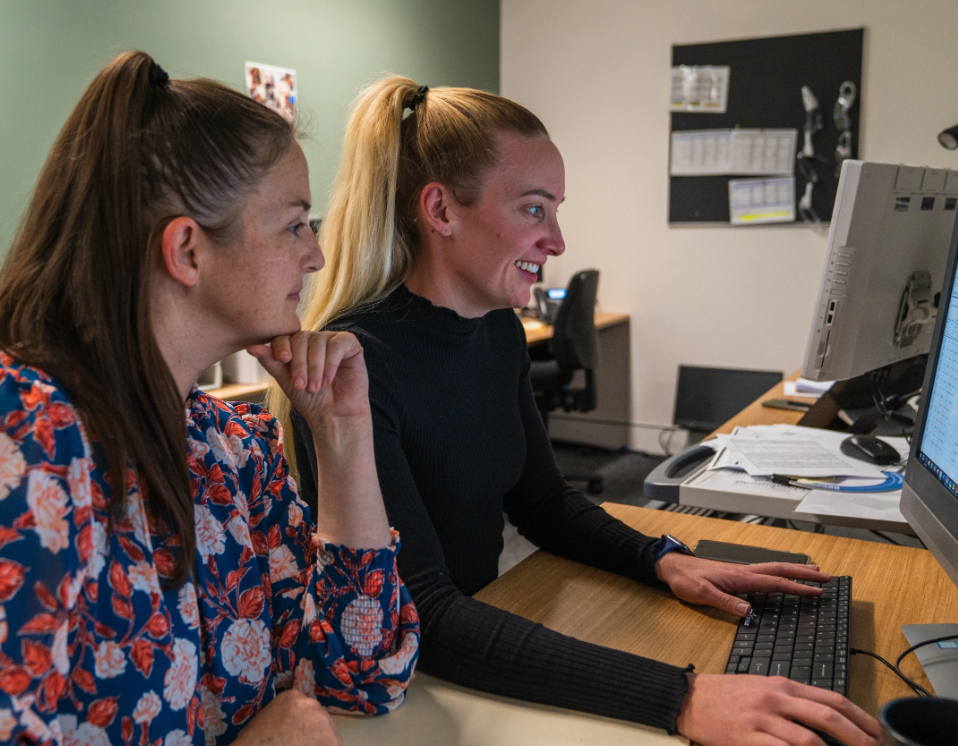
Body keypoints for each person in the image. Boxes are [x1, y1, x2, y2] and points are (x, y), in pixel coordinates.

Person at [275, 77, 883, 746]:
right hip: (402, 683)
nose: (557, 240)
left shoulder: (497, 328)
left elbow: (542, 502)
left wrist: (662, 559)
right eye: (534, 210)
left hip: (478, 633)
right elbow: (424, 612)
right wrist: (678, 696)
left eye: (555, 210)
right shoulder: (358, 367)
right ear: (441, 210)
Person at [0, 53, 419, 746]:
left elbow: (362, 674)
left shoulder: (230, 444)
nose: (315, 255)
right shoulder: (6, 434)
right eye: (294, 224)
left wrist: (342, 436)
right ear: (188, 252)